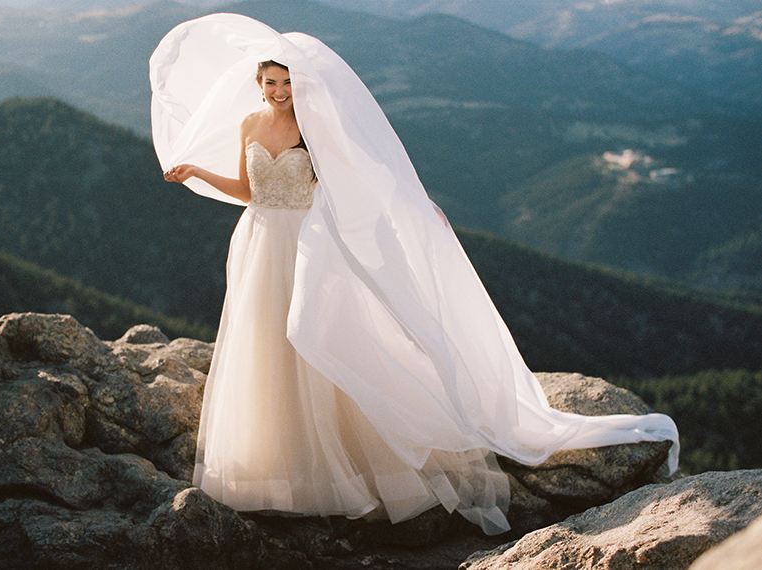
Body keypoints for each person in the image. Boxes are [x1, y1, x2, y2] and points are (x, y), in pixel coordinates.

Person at [150, 13, 679, 535]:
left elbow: (368, 175)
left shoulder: (315, 124)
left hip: (307, 244)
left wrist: (416, 208)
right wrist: (196, 170)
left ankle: (341, 469)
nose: (280, 91)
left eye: (288, 81)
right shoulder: (249, 124)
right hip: (259, 242)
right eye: (271, 82)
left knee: (311, 337)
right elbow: (249, 192)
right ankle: (275, 468)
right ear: (257, 83)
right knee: (264, 347)